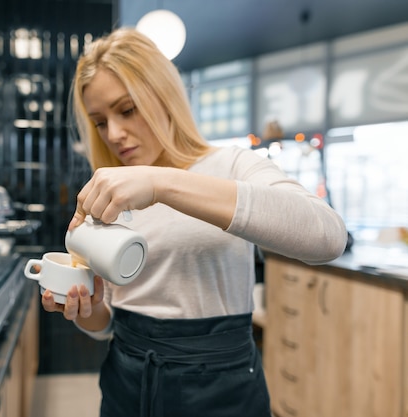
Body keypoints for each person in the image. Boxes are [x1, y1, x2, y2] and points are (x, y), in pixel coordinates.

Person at [40, 27, 347, 417]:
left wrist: (161, 182)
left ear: (163, 95)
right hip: (128, 382)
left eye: (127, 109)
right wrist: (91, 311)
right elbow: (109, 324)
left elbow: (328, 236)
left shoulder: (230, 166)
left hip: (223, 390)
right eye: (100, 122)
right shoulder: (112, 190)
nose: (114, 134)